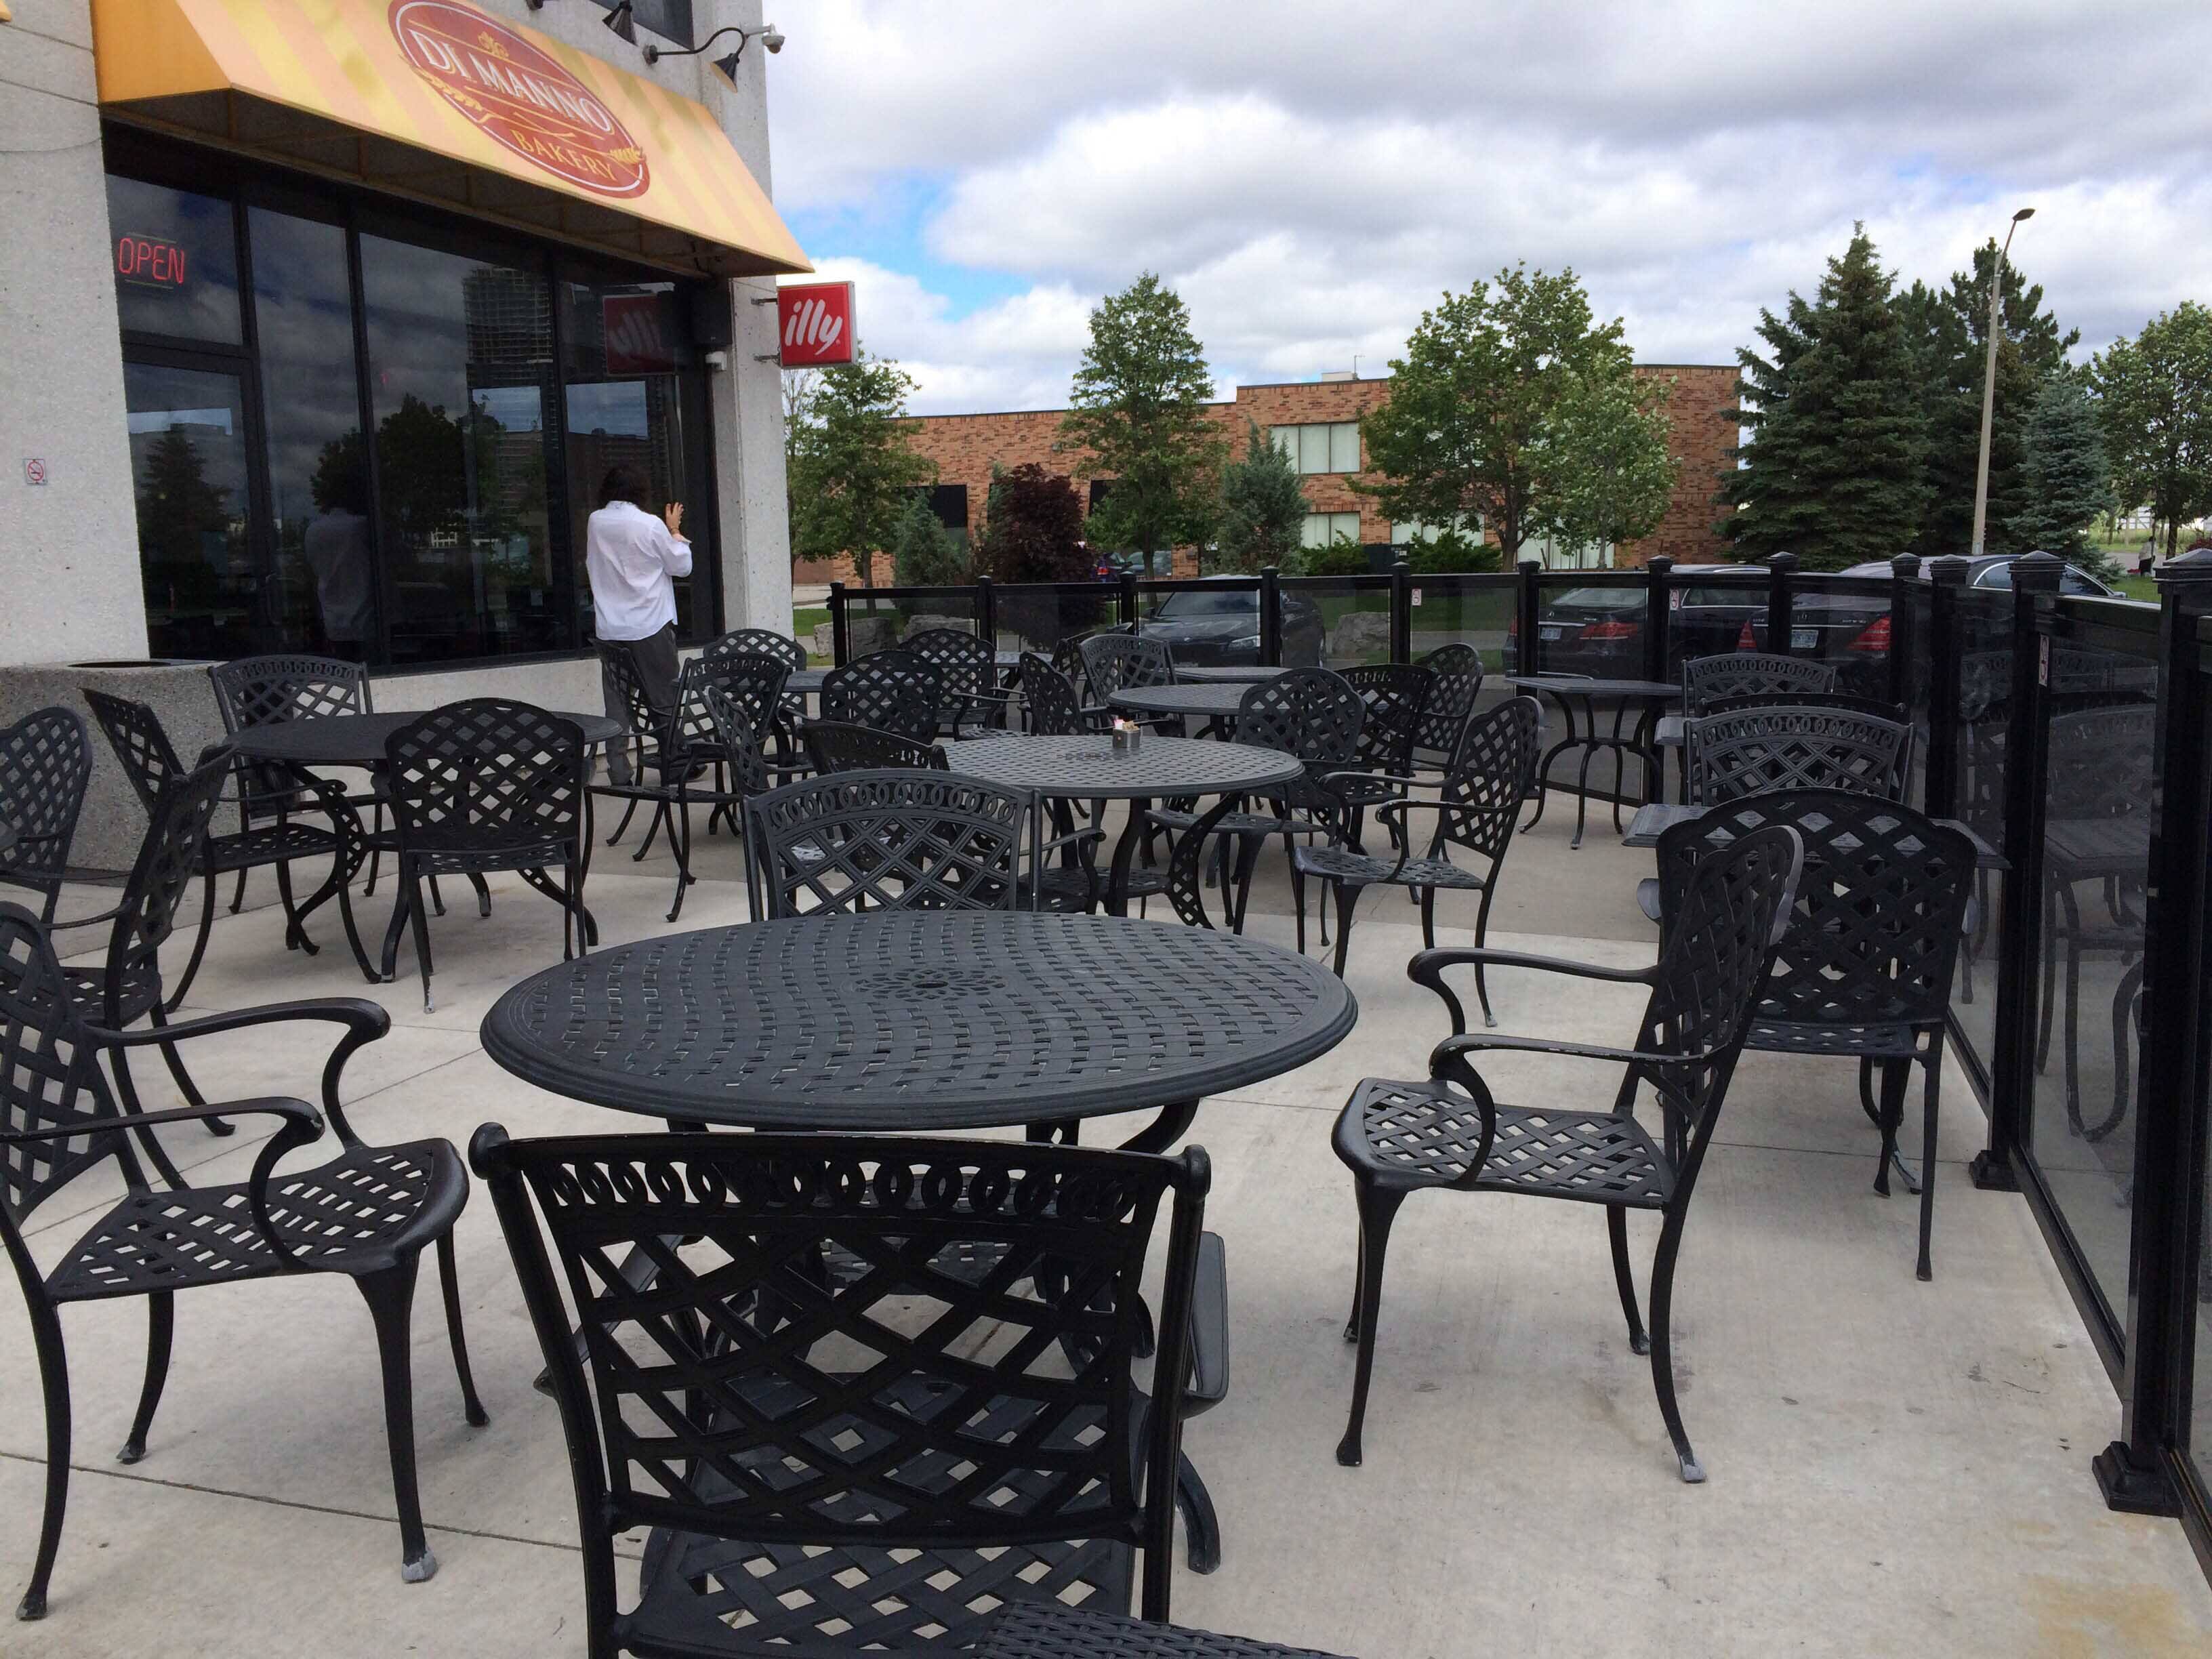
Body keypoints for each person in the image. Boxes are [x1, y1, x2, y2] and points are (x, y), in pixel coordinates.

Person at [586, 462, 691, 783]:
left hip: (610, 628)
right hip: (649, 624)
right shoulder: (650, 524)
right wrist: (674, 530)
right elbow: (681, 566)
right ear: (639, 491)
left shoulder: (596, 521)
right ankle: (675, 764)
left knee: (617, 701)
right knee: (664, 698)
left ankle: (618, 769)